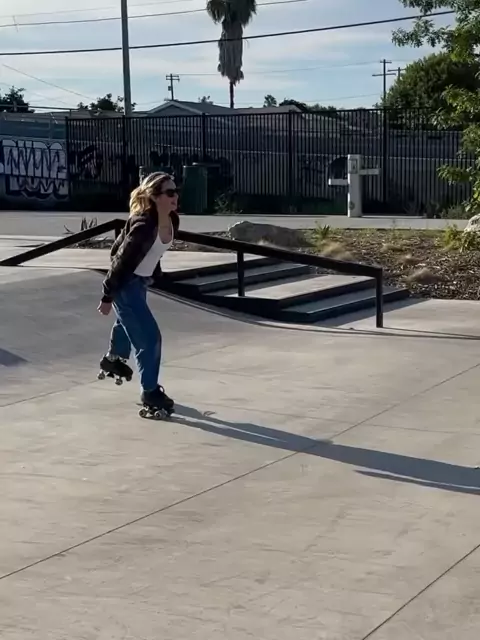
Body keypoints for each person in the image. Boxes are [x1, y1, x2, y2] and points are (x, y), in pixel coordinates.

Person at [97, 171, 180, 414]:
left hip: (141, 281)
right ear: (154, 196)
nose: (175, 197)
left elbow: (154, 252)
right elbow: (120, 260)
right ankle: (150, 392)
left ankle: (113, 359)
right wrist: (107, 295)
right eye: (170, 193)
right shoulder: (144, 225)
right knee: (150, 338)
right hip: (125, 284)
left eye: (176, 192)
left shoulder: (172, 220)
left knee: (128, 322)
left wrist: (155, 274)